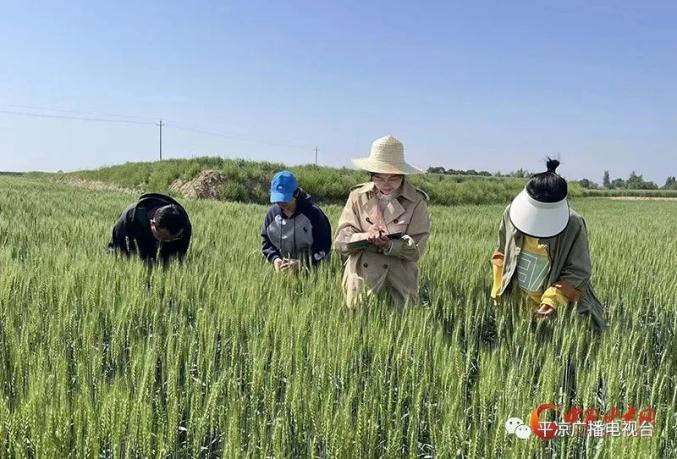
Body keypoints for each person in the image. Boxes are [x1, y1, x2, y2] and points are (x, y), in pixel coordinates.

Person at [490, 159, 607, 330]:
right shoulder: (512, 213)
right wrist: (499, 286)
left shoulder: (573, 224)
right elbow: (502, 252)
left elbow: (579, 270)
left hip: (560, 315)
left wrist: (554, 299)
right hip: (519, 309)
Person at [334, 135, 430, 309]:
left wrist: (390, 245)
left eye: (393, 178)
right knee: (359, 329)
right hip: (362, 279)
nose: (385, 184)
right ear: (371, 175)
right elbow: (341, 241)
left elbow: (417, 250)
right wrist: (364, 237)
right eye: (379, 177)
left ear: (402, 176)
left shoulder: (416, 201)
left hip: (398, 282)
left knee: (400, 331)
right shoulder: (357, 196)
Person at [261, 170, 332, 272]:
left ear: (296, 193)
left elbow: (323, 246)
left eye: (285, 198)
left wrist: (303, 263)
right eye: (278, 199)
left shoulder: (314, 214)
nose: (281, 202)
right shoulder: (271, 215)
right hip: (282, 272)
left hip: (313, 272)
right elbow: (266, 243)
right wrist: (275, 259)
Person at [108, 193, 192, 265]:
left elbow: (179, 258)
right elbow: (118, 252)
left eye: (174, 238)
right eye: (163, 237)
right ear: (152, 223)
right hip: (133, 265)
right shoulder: (127, 221)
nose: (164, 242)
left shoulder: (183, 225)